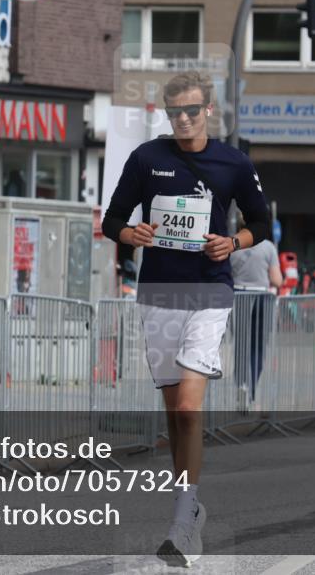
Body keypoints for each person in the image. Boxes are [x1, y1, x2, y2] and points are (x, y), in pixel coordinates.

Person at [102, 71, 269, 567]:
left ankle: (181, 519)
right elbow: (113, 218)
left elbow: (260, 222)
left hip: (210, 290)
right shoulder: (147, 158)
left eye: (192, 111)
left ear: (209, 111)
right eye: (175, 112)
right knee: (175, 412)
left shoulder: (233, 162)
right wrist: (130, 235)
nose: (183, 119)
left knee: (191, 405)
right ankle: (190, 506)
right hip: (158, 291)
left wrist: (233, 242)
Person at [229, 228, 282, 404]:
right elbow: (276, 280)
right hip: (262, 297)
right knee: (258, 347)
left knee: (241, 346)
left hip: (238, 297)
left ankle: (241, 385)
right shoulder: (268, 247)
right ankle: (251, 390)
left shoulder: (232, 244)